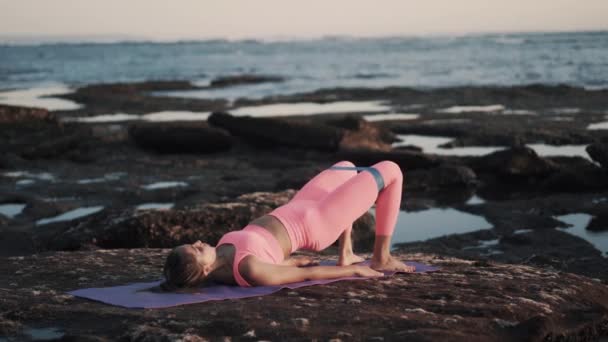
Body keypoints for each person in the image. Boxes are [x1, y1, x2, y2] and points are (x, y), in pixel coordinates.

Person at [161, 160, 415, 290]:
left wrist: (288, 262)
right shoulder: (249, 269)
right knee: (391, 170)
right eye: (196, 250)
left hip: (301, 205)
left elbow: (269, 257)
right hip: (318, 223)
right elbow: (308, 275)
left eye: (191, 244)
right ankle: (381, 257)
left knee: (346, 168)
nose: (197, 242)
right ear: (204, 270)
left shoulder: (218, 261)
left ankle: (346, 251)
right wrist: (354, 272)